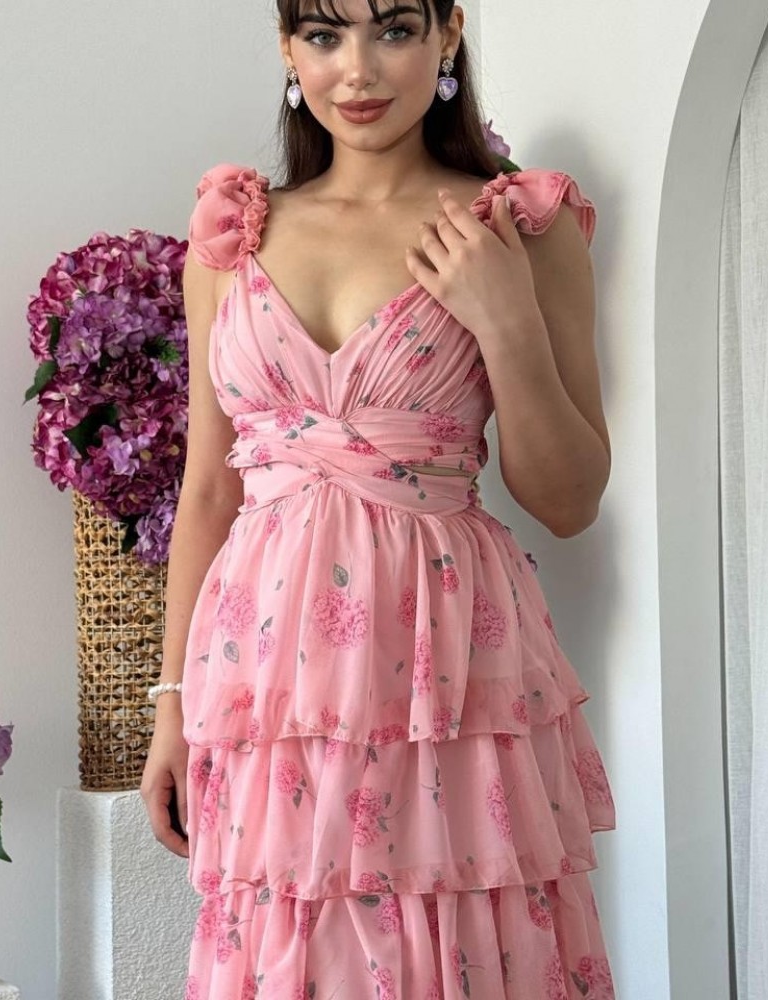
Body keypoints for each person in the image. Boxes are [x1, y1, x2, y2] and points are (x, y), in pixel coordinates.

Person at [140, 0, 617, 996]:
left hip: (444, 661)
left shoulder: (515, 229)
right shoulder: (232, 234)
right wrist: (171, 709)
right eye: (324, 35)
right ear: (287, 49)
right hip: (268, 675)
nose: (356, 69)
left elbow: (569, 499)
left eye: (393, 29)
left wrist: (506, 321)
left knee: (460, 938)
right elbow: (208, 492)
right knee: (293, 945)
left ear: (449, 33)